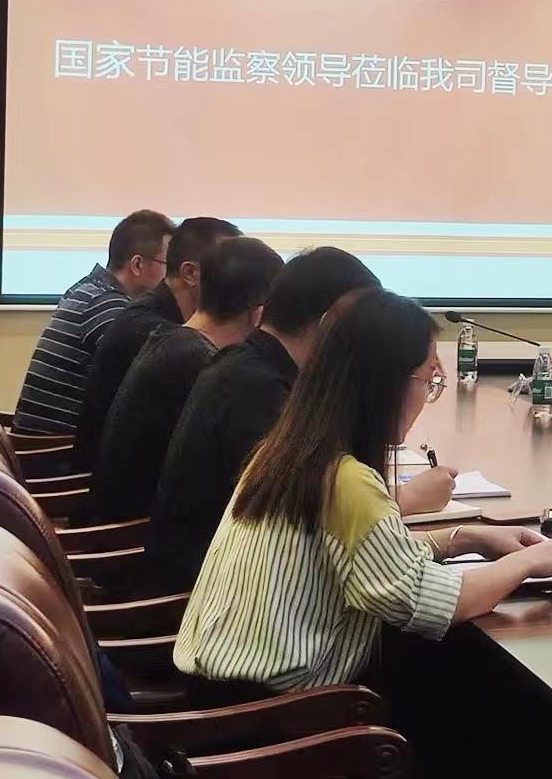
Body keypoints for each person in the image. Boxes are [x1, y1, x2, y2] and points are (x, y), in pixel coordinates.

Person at [173, 288, 552, 697]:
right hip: (276, 714)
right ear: (389, 383)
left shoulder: (285, 450)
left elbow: (366, 555)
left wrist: (464, 538)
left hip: (216, 691)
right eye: (428, 380)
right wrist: (528, 561)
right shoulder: (346, 480)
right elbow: (437, 603)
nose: (427, 395)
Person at [142, 246, 385, 593]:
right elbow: (311, 513)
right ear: (330, 323)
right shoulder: (260, 389)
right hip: (202, 595)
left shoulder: (245, 364)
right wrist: (403, 498)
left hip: (211, 575)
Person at [90, 237, 285, 525]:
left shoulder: (173, 341)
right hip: (131, 537)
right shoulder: (205, 365)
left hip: (123, 522)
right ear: (258, 315)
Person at [76, 217, 241, 468]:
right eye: (230, 269)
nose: (240, 282)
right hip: (102, 477)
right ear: (190, 273)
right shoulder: (152, 330)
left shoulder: (159, 317)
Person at [14, 210, 175, 434]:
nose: (172, 276)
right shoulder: (108, 306)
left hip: (38, 441)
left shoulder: (88, 289)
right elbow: (151, 383)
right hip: (56, 448)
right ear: (137, 265)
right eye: (169, 265)